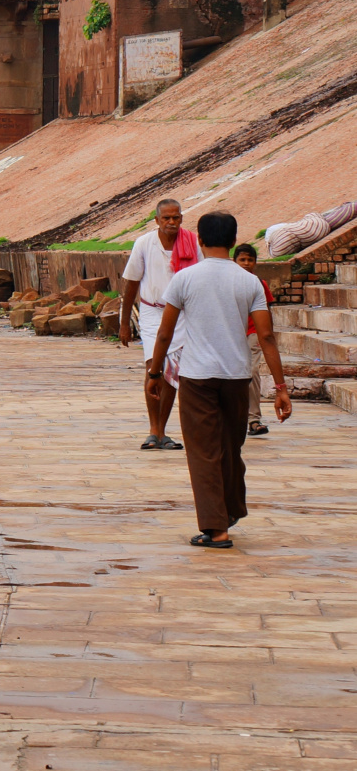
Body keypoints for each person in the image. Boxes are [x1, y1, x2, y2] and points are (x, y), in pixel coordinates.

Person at [148, 211, 290, 548]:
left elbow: (165, 333)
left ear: (199, 239)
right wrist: (281, 389)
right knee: (230, 446)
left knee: (203, 452)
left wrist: (155, 372)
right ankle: (230, 508)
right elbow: (266, 337)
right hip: (237, 376)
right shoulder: (249, 281)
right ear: (232, 240)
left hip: (197, 377)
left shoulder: (185, 278)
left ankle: (216, 528)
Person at [120, 198, 200, 450]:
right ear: (156, 220)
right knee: (152, 367)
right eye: (166, 218)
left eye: (176, 217)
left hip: (183, 314)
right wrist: (124, 323)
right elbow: (131, 283)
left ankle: (163, 430)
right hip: (153, 312)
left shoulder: (192, 242)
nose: (171, 222)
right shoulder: (144, 244)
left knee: (171, 371)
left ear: (181, 219)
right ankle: (153, 429)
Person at [233, 243, 278, 437]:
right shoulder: (229, 282)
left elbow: (267, 311)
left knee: (251, 372)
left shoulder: (259, 283)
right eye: (242, 260)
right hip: (232, 334)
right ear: (234, 262)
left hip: (253, 333)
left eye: (250, 260)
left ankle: (253, 419)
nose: (246, 263)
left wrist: (268, 335)